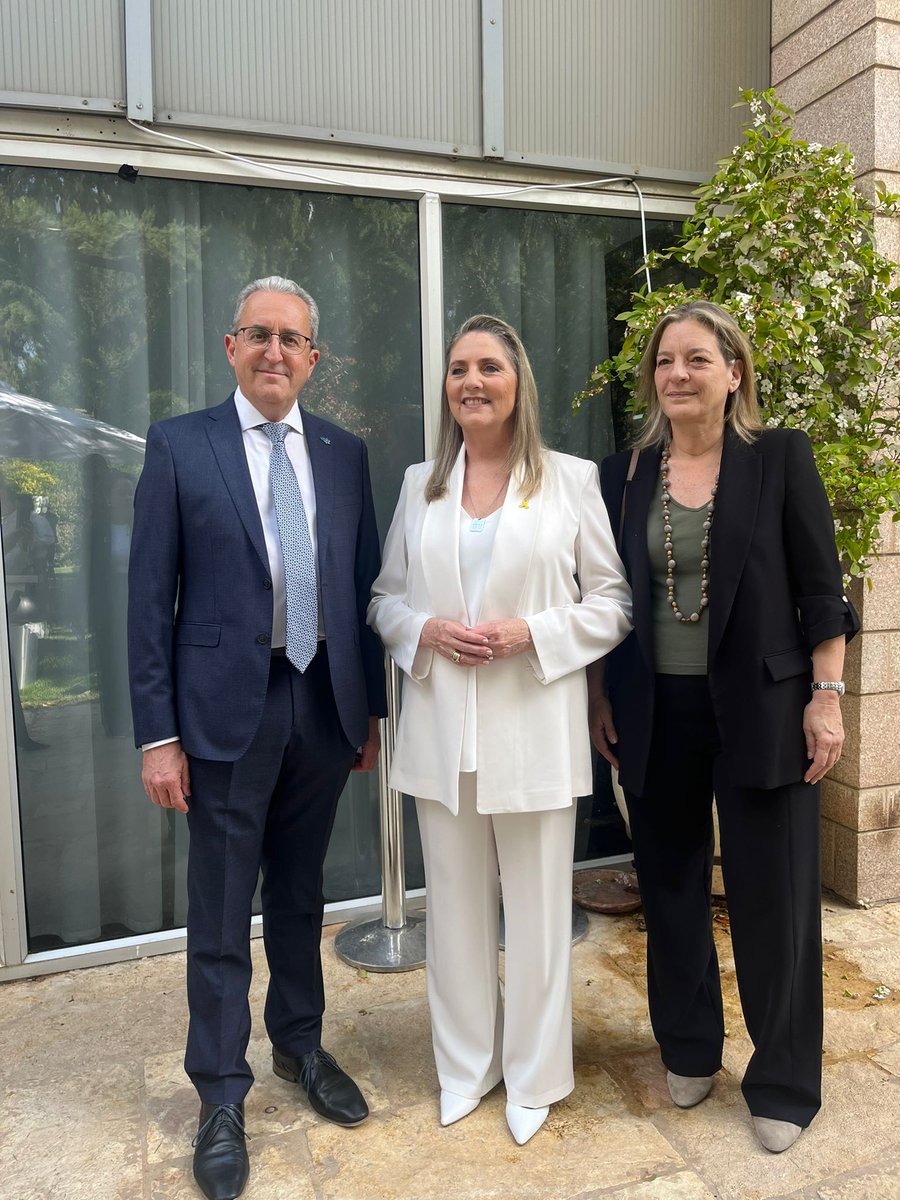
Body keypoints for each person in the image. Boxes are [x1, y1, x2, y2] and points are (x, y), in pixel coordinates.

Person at [128, 275, 387, 1200]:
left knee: (303, 897)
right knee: (220, 910)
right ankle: (221, 1094)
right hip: (220, 714)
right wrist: (158, 735)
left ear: (314, 360)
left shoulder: (343, 452)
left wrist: (369, 716)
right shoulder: (181, 446)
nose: (276, 352)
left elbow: (360, 592)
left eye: (294, 340)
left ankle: (301, 1049)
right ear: (232, 347)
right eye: (260, 335)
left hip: (320, 704)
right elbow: (147, 602)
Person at [591, 300, 859, 1154]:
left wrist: (827, 695)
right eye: (665, 361)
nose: (677, 374)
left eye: (696, 359)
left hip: (764, 704)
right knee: (668, 888)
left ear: (733, 372)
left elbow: (824, 588)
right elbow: (606, 598)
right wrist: (600, 693)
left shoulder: (778, 457)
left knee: (771, 896)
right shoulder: (624, 475)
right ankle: (689, 1048)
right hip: (653, 709)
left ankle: (782, 1081)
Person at [368, 314, 632, 1145]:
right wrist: (424, 632)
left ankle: (537, 1074)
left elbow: (614, 602)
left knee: (541, 911)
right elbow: (383, 599)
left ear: (518, 381)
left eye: (488, 366)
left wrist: (533, 633)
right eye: (457, 369)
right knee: (451, 910)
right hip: (443, 733)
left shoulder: (571, 479)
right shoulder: (421, 484)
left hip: (534, 729)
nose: (471, 382)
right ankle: (465, 1066)